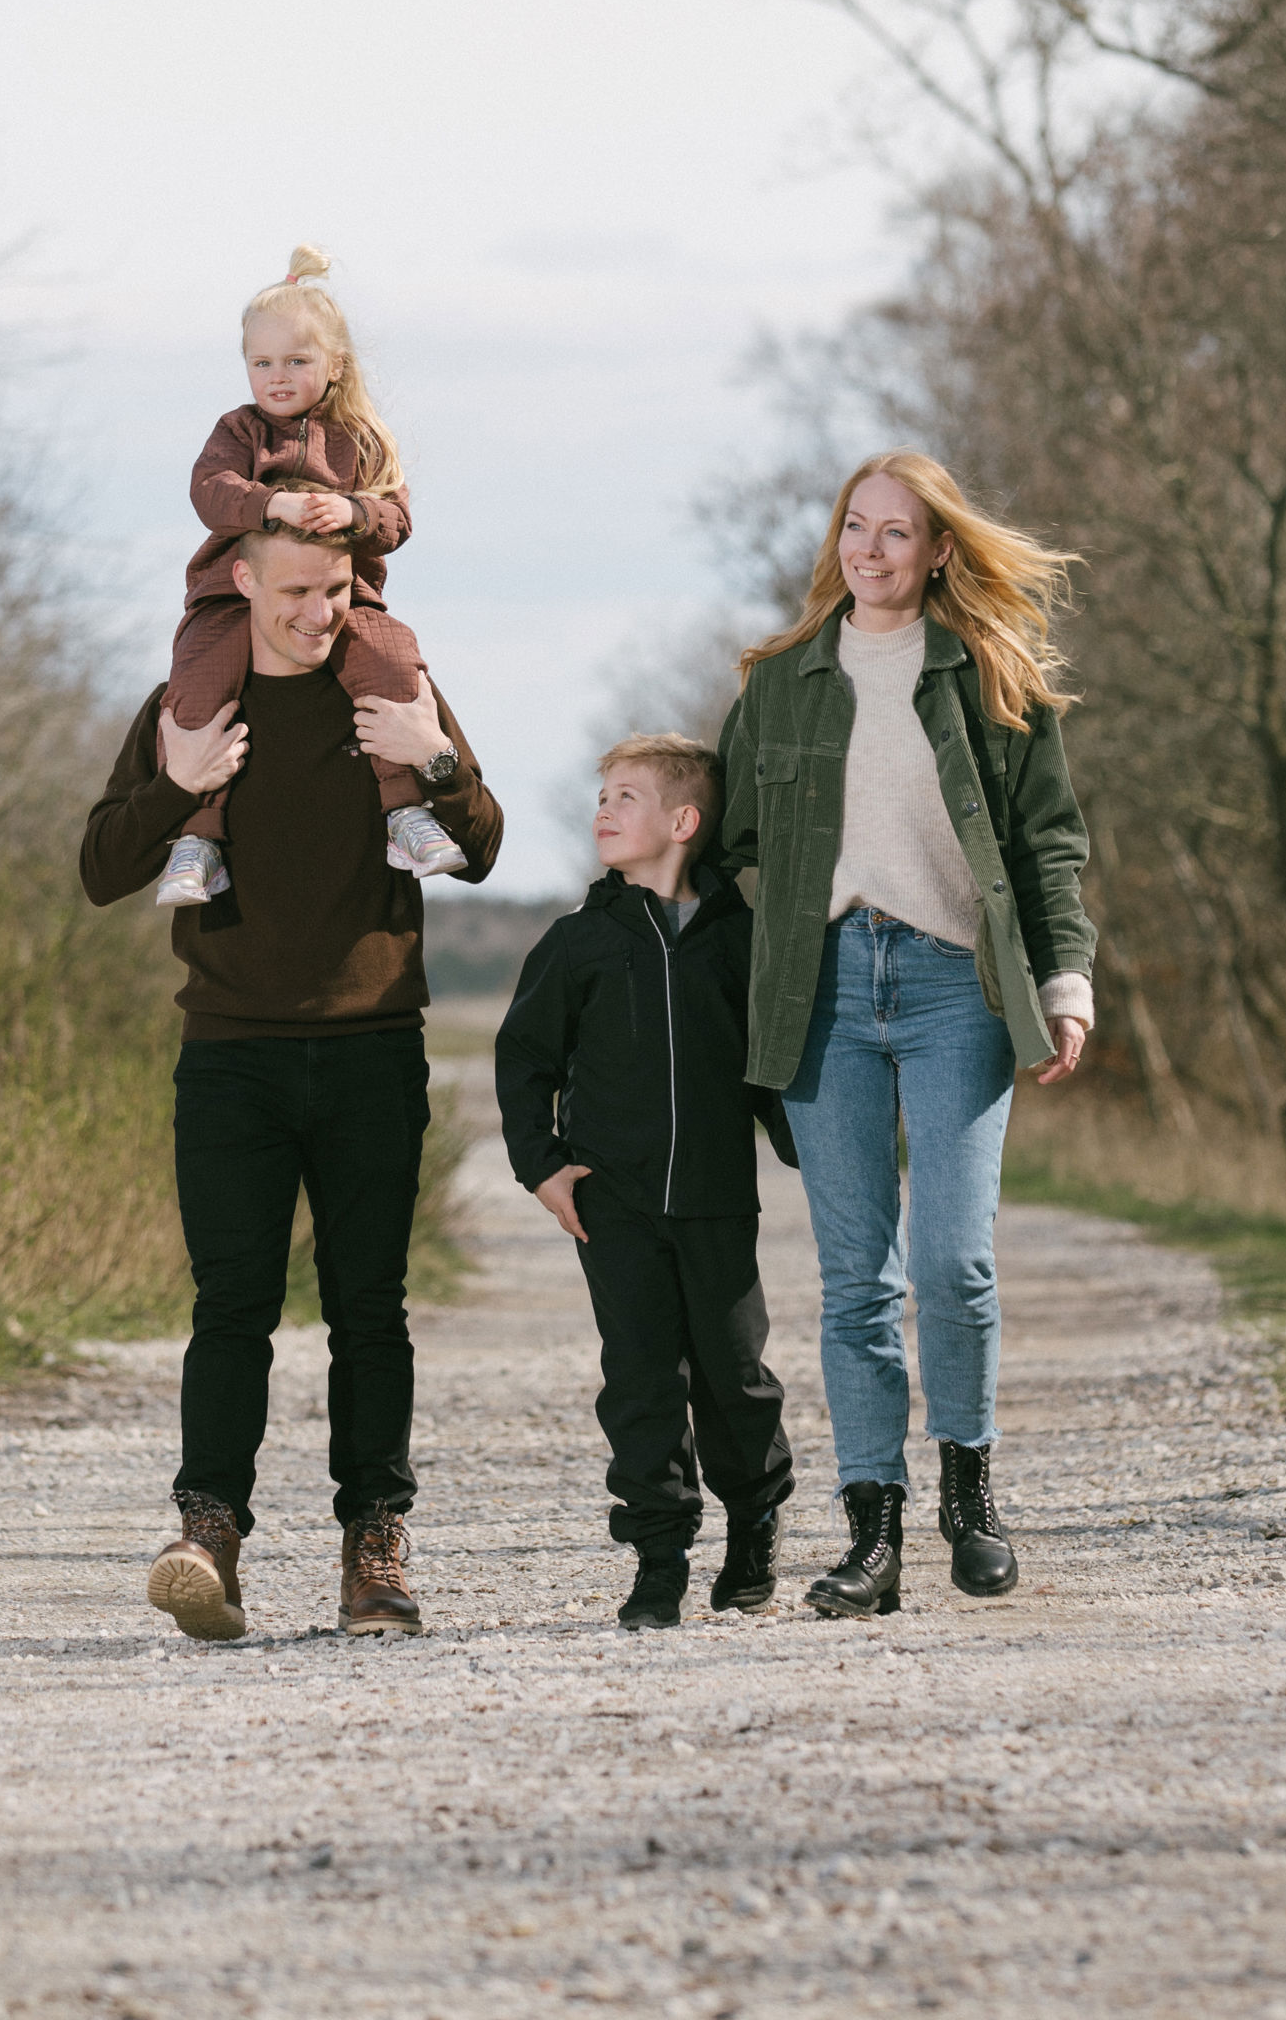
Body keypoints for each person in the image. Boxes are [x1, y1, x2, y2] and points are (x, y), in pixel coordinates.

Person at [80, 500, 503, 1640]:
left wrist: (439, 760)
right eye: (295, 596)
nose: (320, 615)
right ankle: (206, 1532)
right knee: (233, 1306)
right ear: (242, 590)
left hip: (373, 1047)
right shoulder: (193, 703)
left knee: (371, 1309)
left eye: (337, 592)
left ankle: (375, 1547)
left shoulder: (390, 683)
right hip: (231, 1055)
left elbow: (484, 847)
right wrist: (176, 782)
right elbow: (101, 866)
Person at [713, 452, 1095, 1619]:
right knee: (855, 1284)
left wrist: (1067, 976)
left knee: (952, 1262)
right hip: (823, 988)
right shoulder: (782, 683)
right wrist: (777, 936)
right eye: (855, 529)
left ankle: (968, 1495)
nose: (870, 551)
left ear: (938, 551)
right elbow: (731, 836)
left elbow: (1048, 842)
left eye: (897, 533)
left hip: (953, 988)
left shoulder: (984, 672)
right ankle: (870, 1535)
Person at [494, 735, 798, 1631]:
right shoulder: (579, 942)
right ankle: (659, 1557)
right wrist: (543, 1168)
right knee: (640, 1379)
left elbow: (773, 1066)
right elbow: (524, 1060)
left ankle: (754, 1525)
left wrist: (821, 1151)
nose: (603, 810)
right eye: (602, 795)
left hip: (714, 1201)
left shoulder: (743, 942)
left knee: (735, 1376)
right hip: (613, 1206)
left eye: (625, 796)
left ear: (683, 821)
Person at [152, 244, 462, 909]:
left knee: (393, 659)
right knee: (199, 680)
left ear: (334, 365)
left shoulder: (361, 438)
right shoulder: (239, 432)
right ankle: (197, 839)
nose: (278, 377)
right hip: (223, 609)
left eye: (297, 361)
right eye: (262, 364)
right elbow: (209, 491)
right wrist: (272, 504)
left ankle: (404, 815)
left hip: (361, 606)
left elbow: (396, 517)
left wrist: (352, 510)